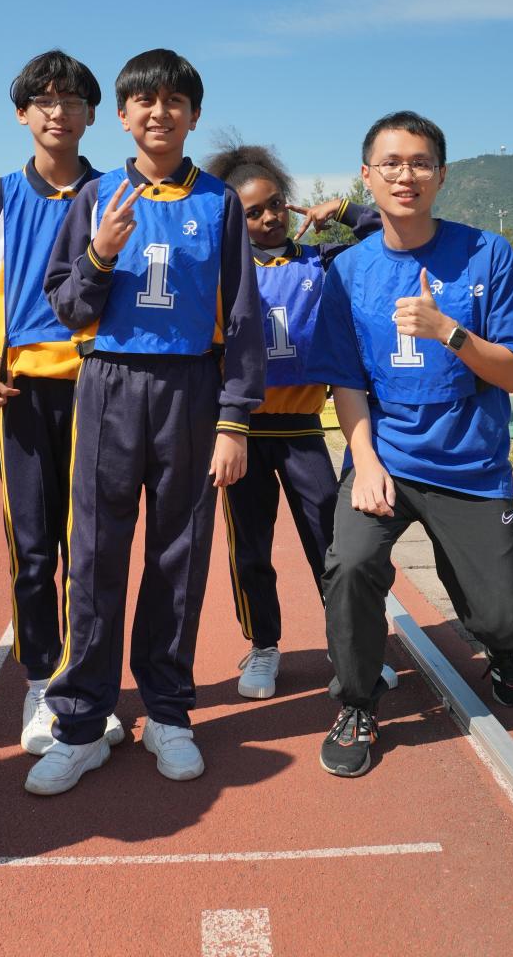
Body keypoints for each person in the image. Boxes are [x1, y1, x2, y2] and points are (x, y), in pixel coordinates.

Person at [25, 49, 265, 796]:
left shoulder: (220, 203)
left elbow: (243, 318)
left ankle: (166, 712)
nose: (159, 112)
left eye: (174, 101)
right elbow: (66, 305)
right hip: (109, 382)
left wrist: (234, 420)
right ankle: (81, 723)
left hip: (190, 385)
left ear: (193, 115)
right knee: (95, 554)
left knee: (178, 556)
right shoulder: (94, 195)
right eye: (145, 101)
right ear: (123, 116)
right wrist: (99, 253)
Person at [307, 110, 513, 778]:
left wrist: (448, 331)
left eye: (419, 163)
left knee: (498, 618)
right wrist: (366, 463)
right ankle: (356, 702)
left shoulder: (487, 254)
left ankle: (503, 650)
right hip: (388, 458)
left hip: (470, 463)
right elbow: (346, 382)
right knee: (350, 564)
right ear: (366, 175)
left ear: (441, 174)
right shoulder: (348, 270)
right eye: (390, 163)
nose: (404, 175)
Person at [0, 49, 124, 756]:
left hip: (99, 389)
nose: (58, 112)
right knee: (33, 548)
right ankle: (43, 683)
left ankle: (90, 685)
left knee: (93, 548)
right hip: (19, 396)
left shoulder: (116, 193)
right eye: (43, 100)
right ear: (22, 113)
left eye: (71, 100)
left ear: (91, 114)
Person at [204, 141, 399, 700]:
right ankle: (263, 645)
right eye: (251, 212)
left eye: (275, 204)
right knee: (250, 549)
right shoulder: (221, 272)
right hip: (243, 433)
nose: (268, 218)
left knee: (330, 544)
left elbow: (386, 236)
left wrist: (343, 210)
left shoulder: (323, 260)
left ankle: (348, 646)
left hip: (302, 431)